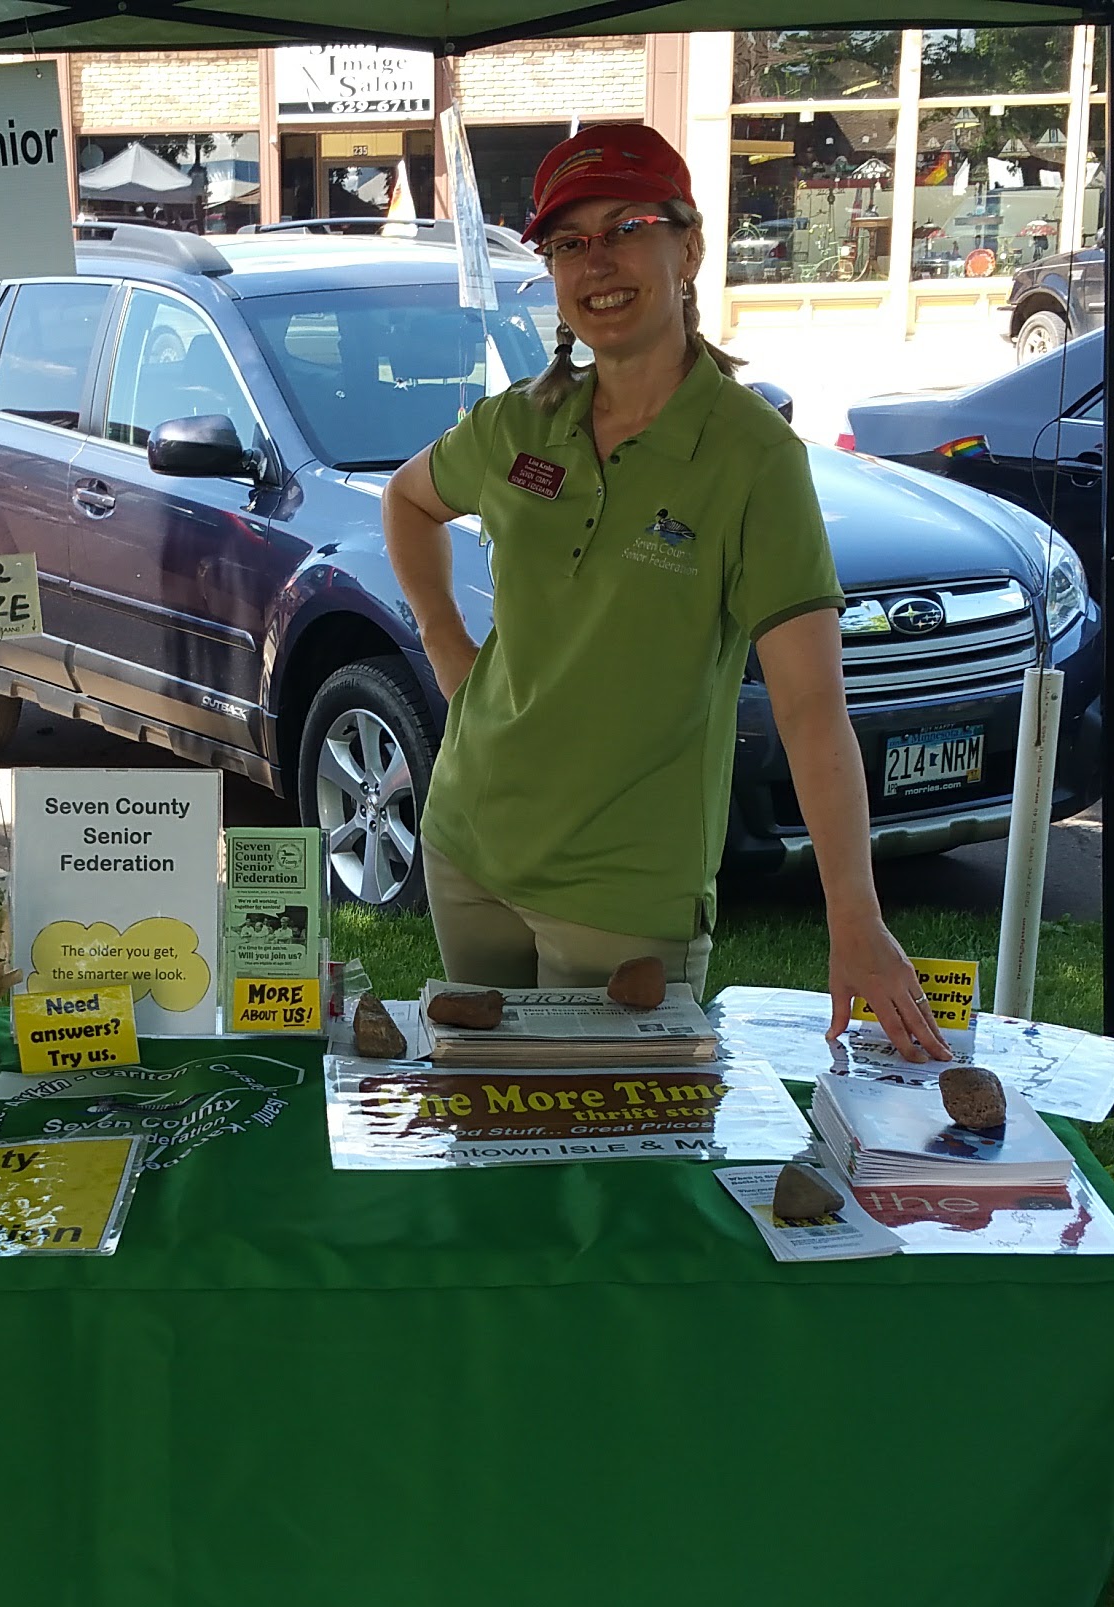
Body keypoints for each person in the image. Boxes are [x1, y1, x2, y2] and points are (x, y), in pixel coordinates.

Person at [382, 124, 953, 1060]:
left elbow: (812, 709)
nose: (597, 263)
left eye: (626, 228)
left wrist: (854, 915)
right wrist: (449, 649)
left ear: (688, 248)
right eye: (570, 242)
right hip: (467, 845)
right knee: (484, 1121)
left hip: (626, 892)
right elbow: (408, 501)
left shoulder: (753, 459)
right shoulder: (521, 422)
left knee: (612, 1148)